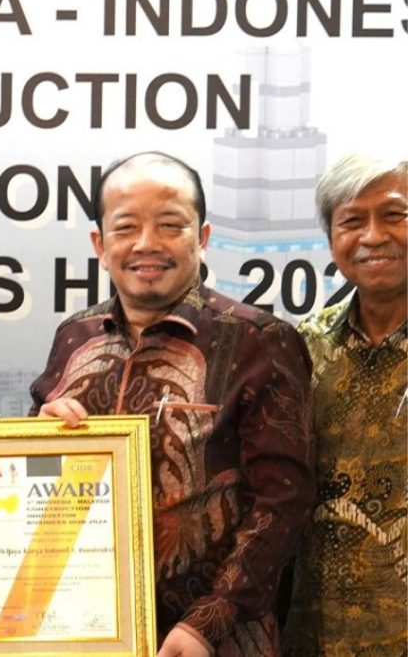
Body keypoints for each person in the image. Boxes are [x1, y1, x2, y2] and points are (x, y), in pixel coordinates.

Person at [30, 152, 314, 657]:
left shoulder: (260, 340)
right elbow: (31, 491)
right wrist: (37, 440)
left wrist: (208, 622)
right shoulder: (73, 337)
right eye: (126, 227)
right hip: (82, 629)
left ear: (201, 237)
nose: (147, 244)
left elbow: (283, 502)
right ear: (100, 245)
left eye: (169, 225)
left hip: (215, 641)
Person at [282, 155, 407, 657]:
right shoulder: (302, 345)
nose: (373, 236)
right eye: (352, 221)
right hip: (316, 633)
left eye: (394, 215)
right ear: (332, 239)